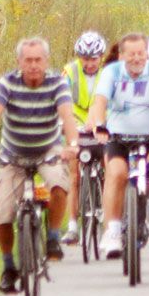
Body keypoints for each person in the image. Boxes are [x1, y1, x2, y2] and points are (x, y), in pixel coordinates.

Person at [0, 37, 78, 293]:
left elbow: (67, 116)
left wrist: (72, 144)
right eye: (28, 60)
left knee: (59, 184)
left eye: (38, 60)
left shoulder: (57, 83)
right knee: (3, 212)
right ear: (19, 62)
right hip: (14, 154)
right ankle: (9, 266)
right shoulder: (8, 83)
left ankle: (53, 237)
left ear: (46, 61)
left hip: (47, 149)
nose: (33, 65)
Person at [87, 33, 149, 256]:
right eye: (131, 54)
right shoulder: (111, 72)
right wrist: (99, 125)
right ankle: (113, 230)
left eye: (141, 53)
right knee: (116, 174)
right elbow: (100, 101)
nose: (137, 58)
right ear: (122, 55)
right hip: (119, 136)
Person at [61, 31, 107, 246]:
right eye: (85, 59)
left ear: (101, 57)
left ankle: (109, 219)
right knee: (74, 174)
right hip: (76, 126)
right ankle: (72, 226)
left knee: (111, 168)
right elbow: (60, 100)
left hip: (101, 126)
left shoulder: (108, 73)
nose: (89, 63)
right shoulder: (69, 72)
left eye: (93, 59)